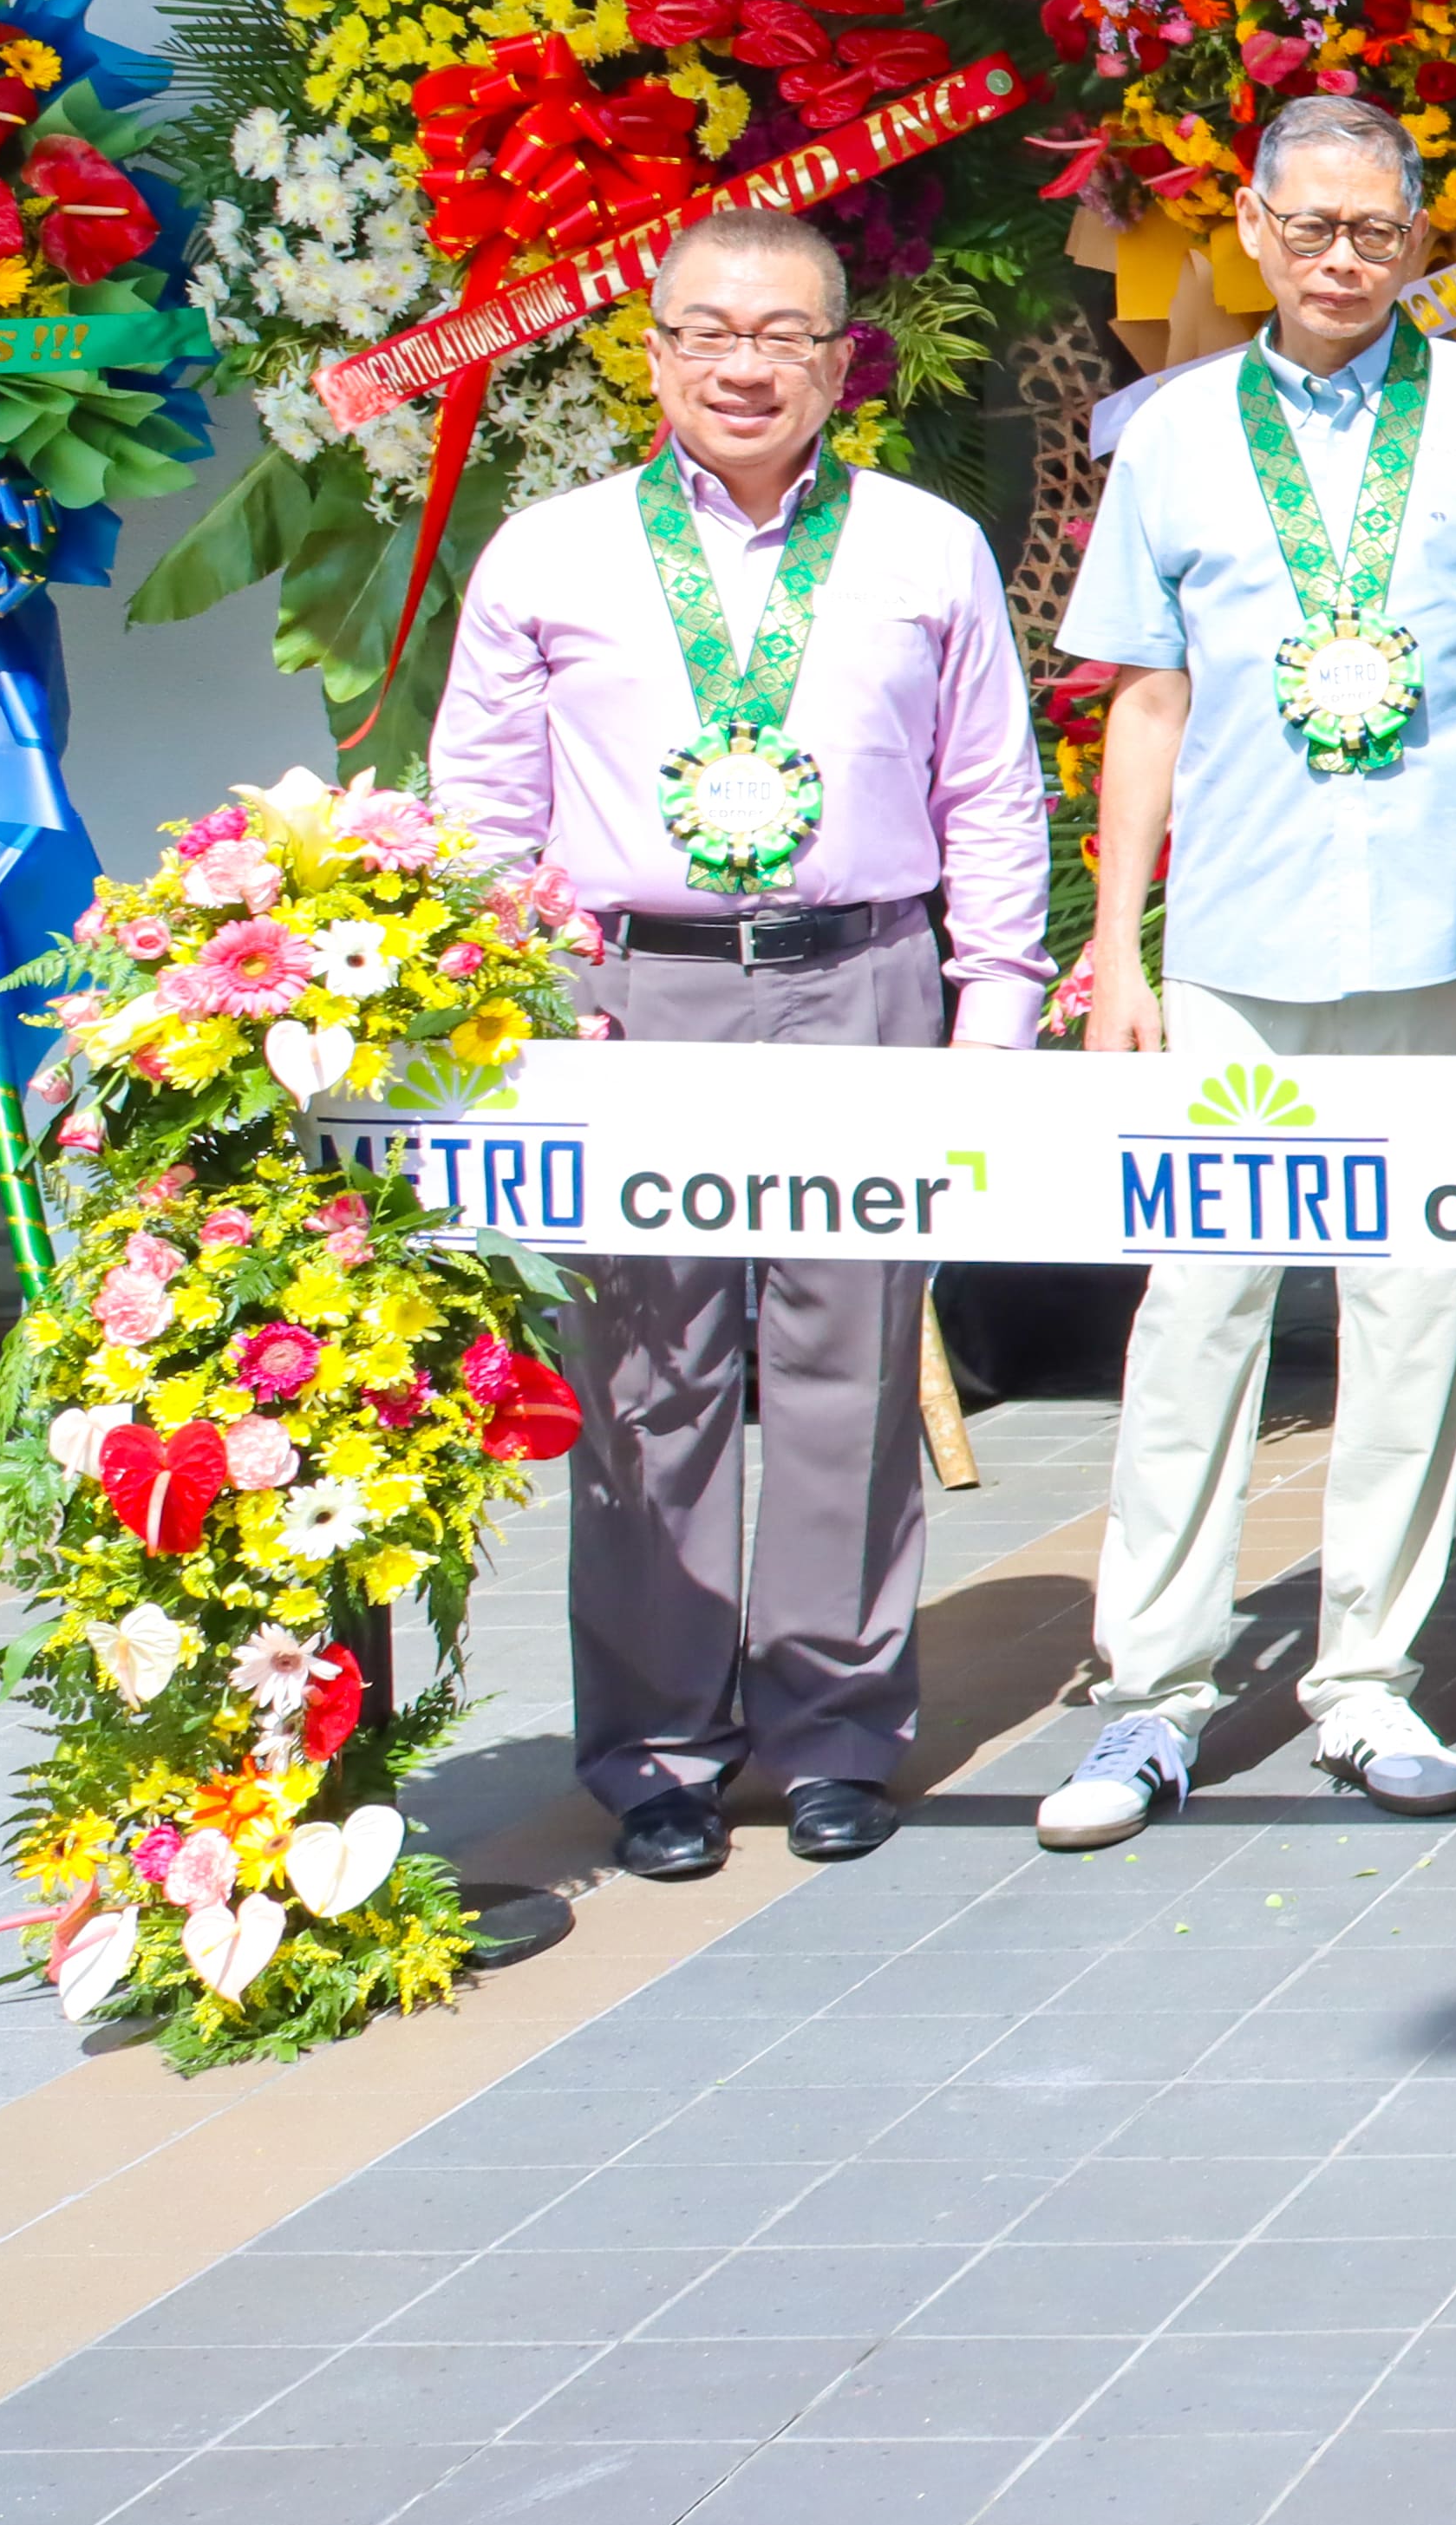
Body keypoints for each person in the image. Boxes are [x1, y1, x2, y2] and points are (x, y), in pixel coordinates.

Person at [434, 213, 1050, 1882]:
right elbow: (484, 811)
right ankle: (653, 1750)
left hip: (862, 983)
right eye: (707, 331)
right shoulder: (548, 553)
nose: (742, 364)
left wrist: (994, 1011)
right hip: (634, 997)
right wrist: (519, 1004)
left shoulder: (926, 547)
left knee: (853, 1365)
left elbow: (988, 790)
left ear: (842, 358)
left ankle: (837, 1730)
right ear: (650, 355)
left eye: (782, 332)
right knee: (646, 1380)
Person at [1039, 94, 1456, 1848]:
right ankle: (1152, 1693)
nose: (1345, 259)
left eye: (1377, 230)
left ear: (1420, 239)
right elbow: (1144, 696)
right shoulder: (1179, 435)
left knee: (1420, 1309)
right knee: (1198, 1306)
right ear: (1254, 233)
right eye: (1313, 227)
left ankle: (1367, 1679)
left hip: (1450, 935)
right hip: (1237, 951)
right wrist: (1115, 945)